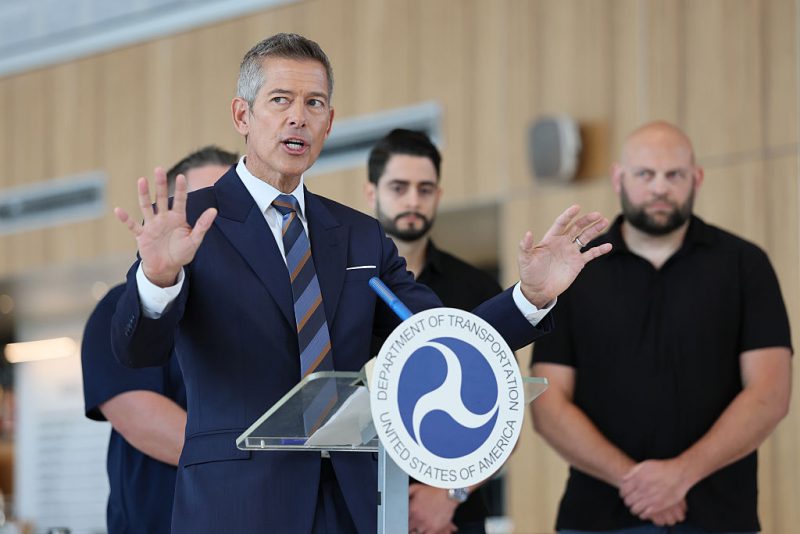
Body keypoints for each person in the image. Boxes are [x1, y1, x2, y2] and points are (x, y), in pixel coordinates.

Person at [110, 33, 611, 533]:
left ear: (329, 123)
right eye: (280, 100)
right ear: (242, 116)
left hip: (350, 503)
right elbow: (137, 351)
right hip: (237, 503)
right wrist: (157, 278)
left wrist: (531, 297)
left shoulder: (357, 235)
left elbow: (438, 337)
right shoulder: (192, 223)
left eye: (315, 103)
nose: (298, 118)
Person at [530, 121, 792, 534]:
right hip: (596, 519)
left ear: (697, 178)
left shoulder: (745, 265)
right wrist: (634, 482)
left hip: (721, 518)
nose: (659, 189)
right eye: (645, 175)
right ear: (619, 178)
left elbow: (770, 393)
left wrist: (681, 474)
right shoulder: (577, 274)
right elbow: (547, 403)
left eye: (674, 175)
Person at [81, 146, 238, 533]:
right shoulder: (123, 306)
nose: (215, 220)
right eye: (203, 205)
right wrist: (256, 463)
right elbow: (142, 417)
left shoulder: (255, 313)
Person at [365, 129, 502, 534]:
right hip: (357, 507)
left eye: (425, 189)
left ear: (438, 195)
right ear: (371, 193)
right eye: (398, 187)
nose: (412, 200)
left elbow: (505, 412)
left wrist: (448, 494)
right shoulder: (340, 286)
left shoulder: (477, 289)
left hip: (454, 517)